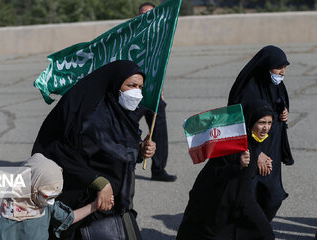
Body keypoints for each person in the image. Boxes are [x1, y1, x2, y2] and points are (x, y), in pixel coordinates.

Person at [31, 60, 156, 240]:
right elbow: (63, 154)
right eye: (131, 85)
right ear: (115, 84)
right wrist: (98, 181)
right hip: (87, 206)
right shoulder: (89, 117)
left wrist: (140, 150)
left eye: (140, 87)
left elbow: (115, 151)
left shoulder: (120, 114)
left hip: (116, 205)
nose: (136, 92)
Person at [177, 100, 276, 240]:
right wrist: (238, 164)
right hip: (219, 202)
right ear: (250, 122)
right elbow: (216, 172)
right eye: (261, 123)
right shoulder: (233, 143)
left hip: (242, 199)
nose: (266, 128)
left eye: (269, 123)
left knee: (264, 232)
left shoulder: (254, 144)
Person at [228, 45, 293, 221]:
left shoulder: (275, 85)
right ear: (266, 66)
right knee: (249, 197)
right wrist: (255, 154)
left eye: (285, 68)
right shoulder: (246, 90)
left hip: (272, 150)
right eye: (279, 67)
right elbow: (237, 124)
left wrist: (284, 111)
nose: (282, 72)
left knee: (273, 196)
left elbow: (278, 103)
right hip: (252, 152)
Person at [0, 153, 101, 240]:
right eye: (48, 196)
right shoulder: (11, 206)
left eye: (55, 196)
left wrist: (94, 206)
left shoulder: (46, 205)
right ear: (33, 186)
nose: (51, 201)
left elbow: (69, 218)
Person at [131, 1, 177, 182]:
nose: (146, 18)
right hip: (135, 93)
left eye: (150, 14)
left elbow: (159, 68)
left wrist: (161, 91)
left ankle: (158, 169)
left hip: (154, 93)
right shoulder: (132, 37)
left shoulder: (160, 38)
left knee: (158, 131)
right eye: (143, 14)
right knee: (126, 128)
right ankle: (126, 161)